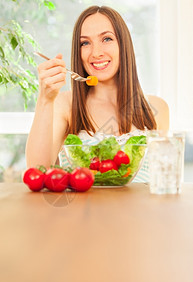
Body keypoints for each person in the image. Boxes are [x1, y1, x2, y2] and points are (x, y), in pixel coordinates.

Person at [25, 5, 169, 182]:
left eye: (107, 39)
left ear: (124, 45)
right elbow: (37, 172)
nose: (96, 53)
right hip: (81, 211)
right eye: (85, 43)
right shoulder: (65, 104)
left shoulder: (157, 108)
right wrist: (45, 100)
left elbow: (162, 182)